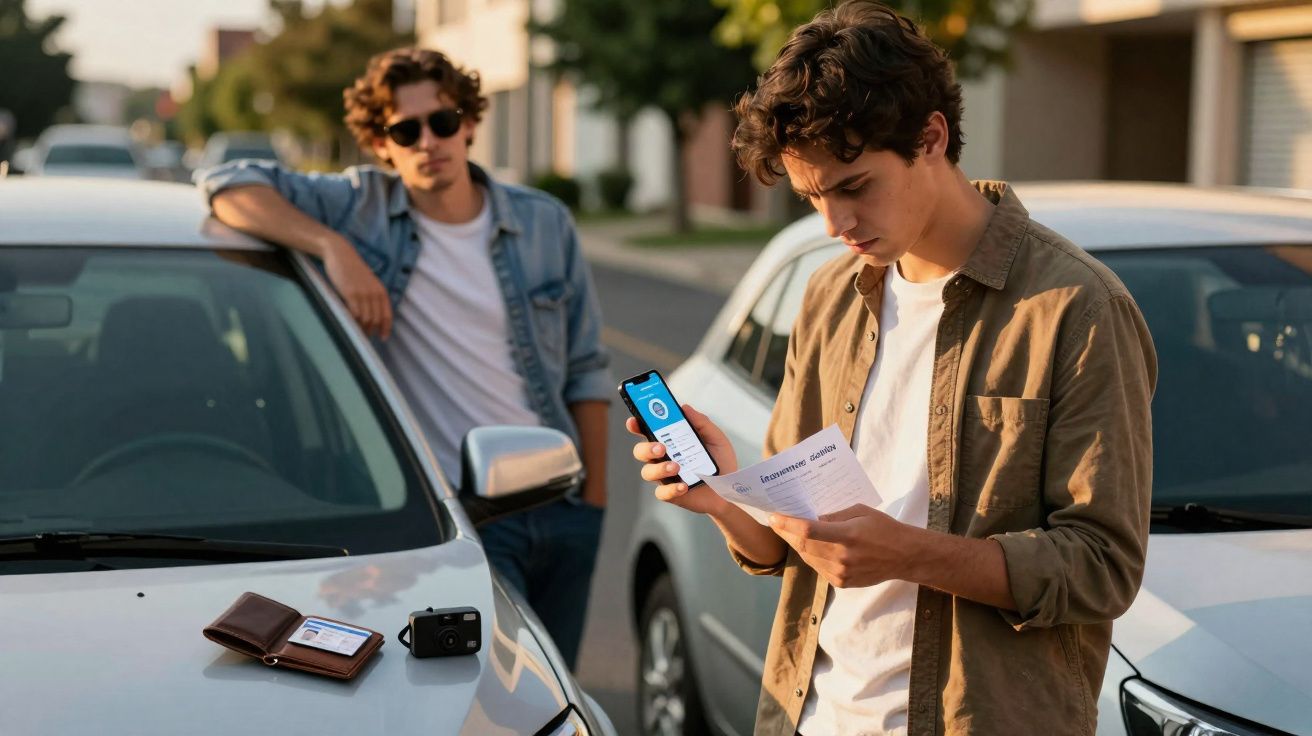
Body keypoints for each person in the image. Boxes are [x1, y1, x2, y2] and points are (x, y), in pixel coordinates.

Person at [627, 2, 1157, 733]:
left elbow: (1102, 566)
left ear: (931, 137)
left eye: (853, 186)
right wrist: (721, 498)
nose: (834, 225)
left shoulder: (1073, 307)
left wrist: (912, 554)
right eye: (813, 197)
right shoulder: (828, 297)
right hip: (812, 716)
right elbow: (792, 545)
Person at [197, 47, 611, 670]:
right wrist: (331, 246)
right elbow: (227, 185)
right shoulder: (360, 209)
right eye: (405, 130)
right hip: (468, 518)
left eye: (442, 122)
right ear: (380, 144)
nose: (429, 141)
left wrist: (595, 503)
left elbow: (586, 367)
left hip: (564, 505)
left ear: (468, 123)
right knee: (504, 686)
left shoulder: (544, 221)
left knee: (560, 684)